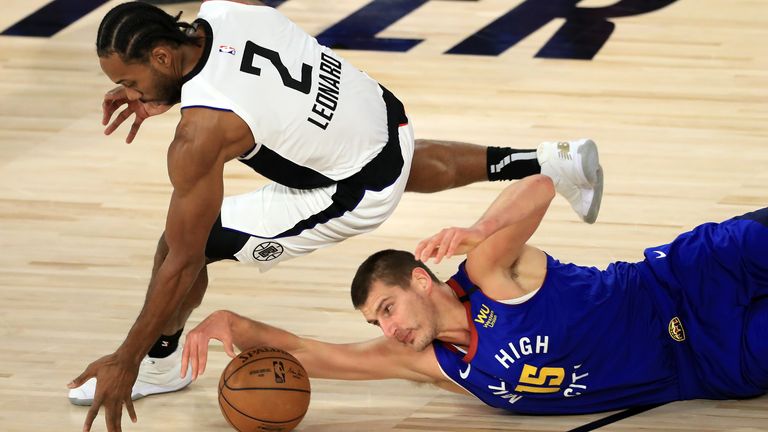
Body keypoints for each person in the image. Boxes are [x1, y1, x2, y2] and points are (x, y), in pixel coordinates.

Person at [67, 1, 604, 431]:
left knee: (184, 244)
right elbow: (237, 76)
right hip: (382, 118)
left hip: (352, 191)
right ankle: (549, 161)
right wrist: (163, 93)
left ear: (163, 57)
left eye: (131, 82)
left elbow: (184, 261)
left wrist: (125, 358)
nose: (127, 94)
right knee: (381, 157)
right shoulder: (229, 10)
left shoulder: (199, 135)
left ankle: (158, 364)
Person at [183, 174, 768, 420]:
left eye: (387, 308)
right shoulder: (429, 362)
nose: (387, 329)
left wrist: (481, 231)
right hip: (711, 363)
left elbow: (541, 187)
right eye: (375, 322)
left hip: (690, 277)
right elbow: (308, 354)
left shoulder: (488, 273)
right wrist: (234, 324)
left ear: (420, 279)